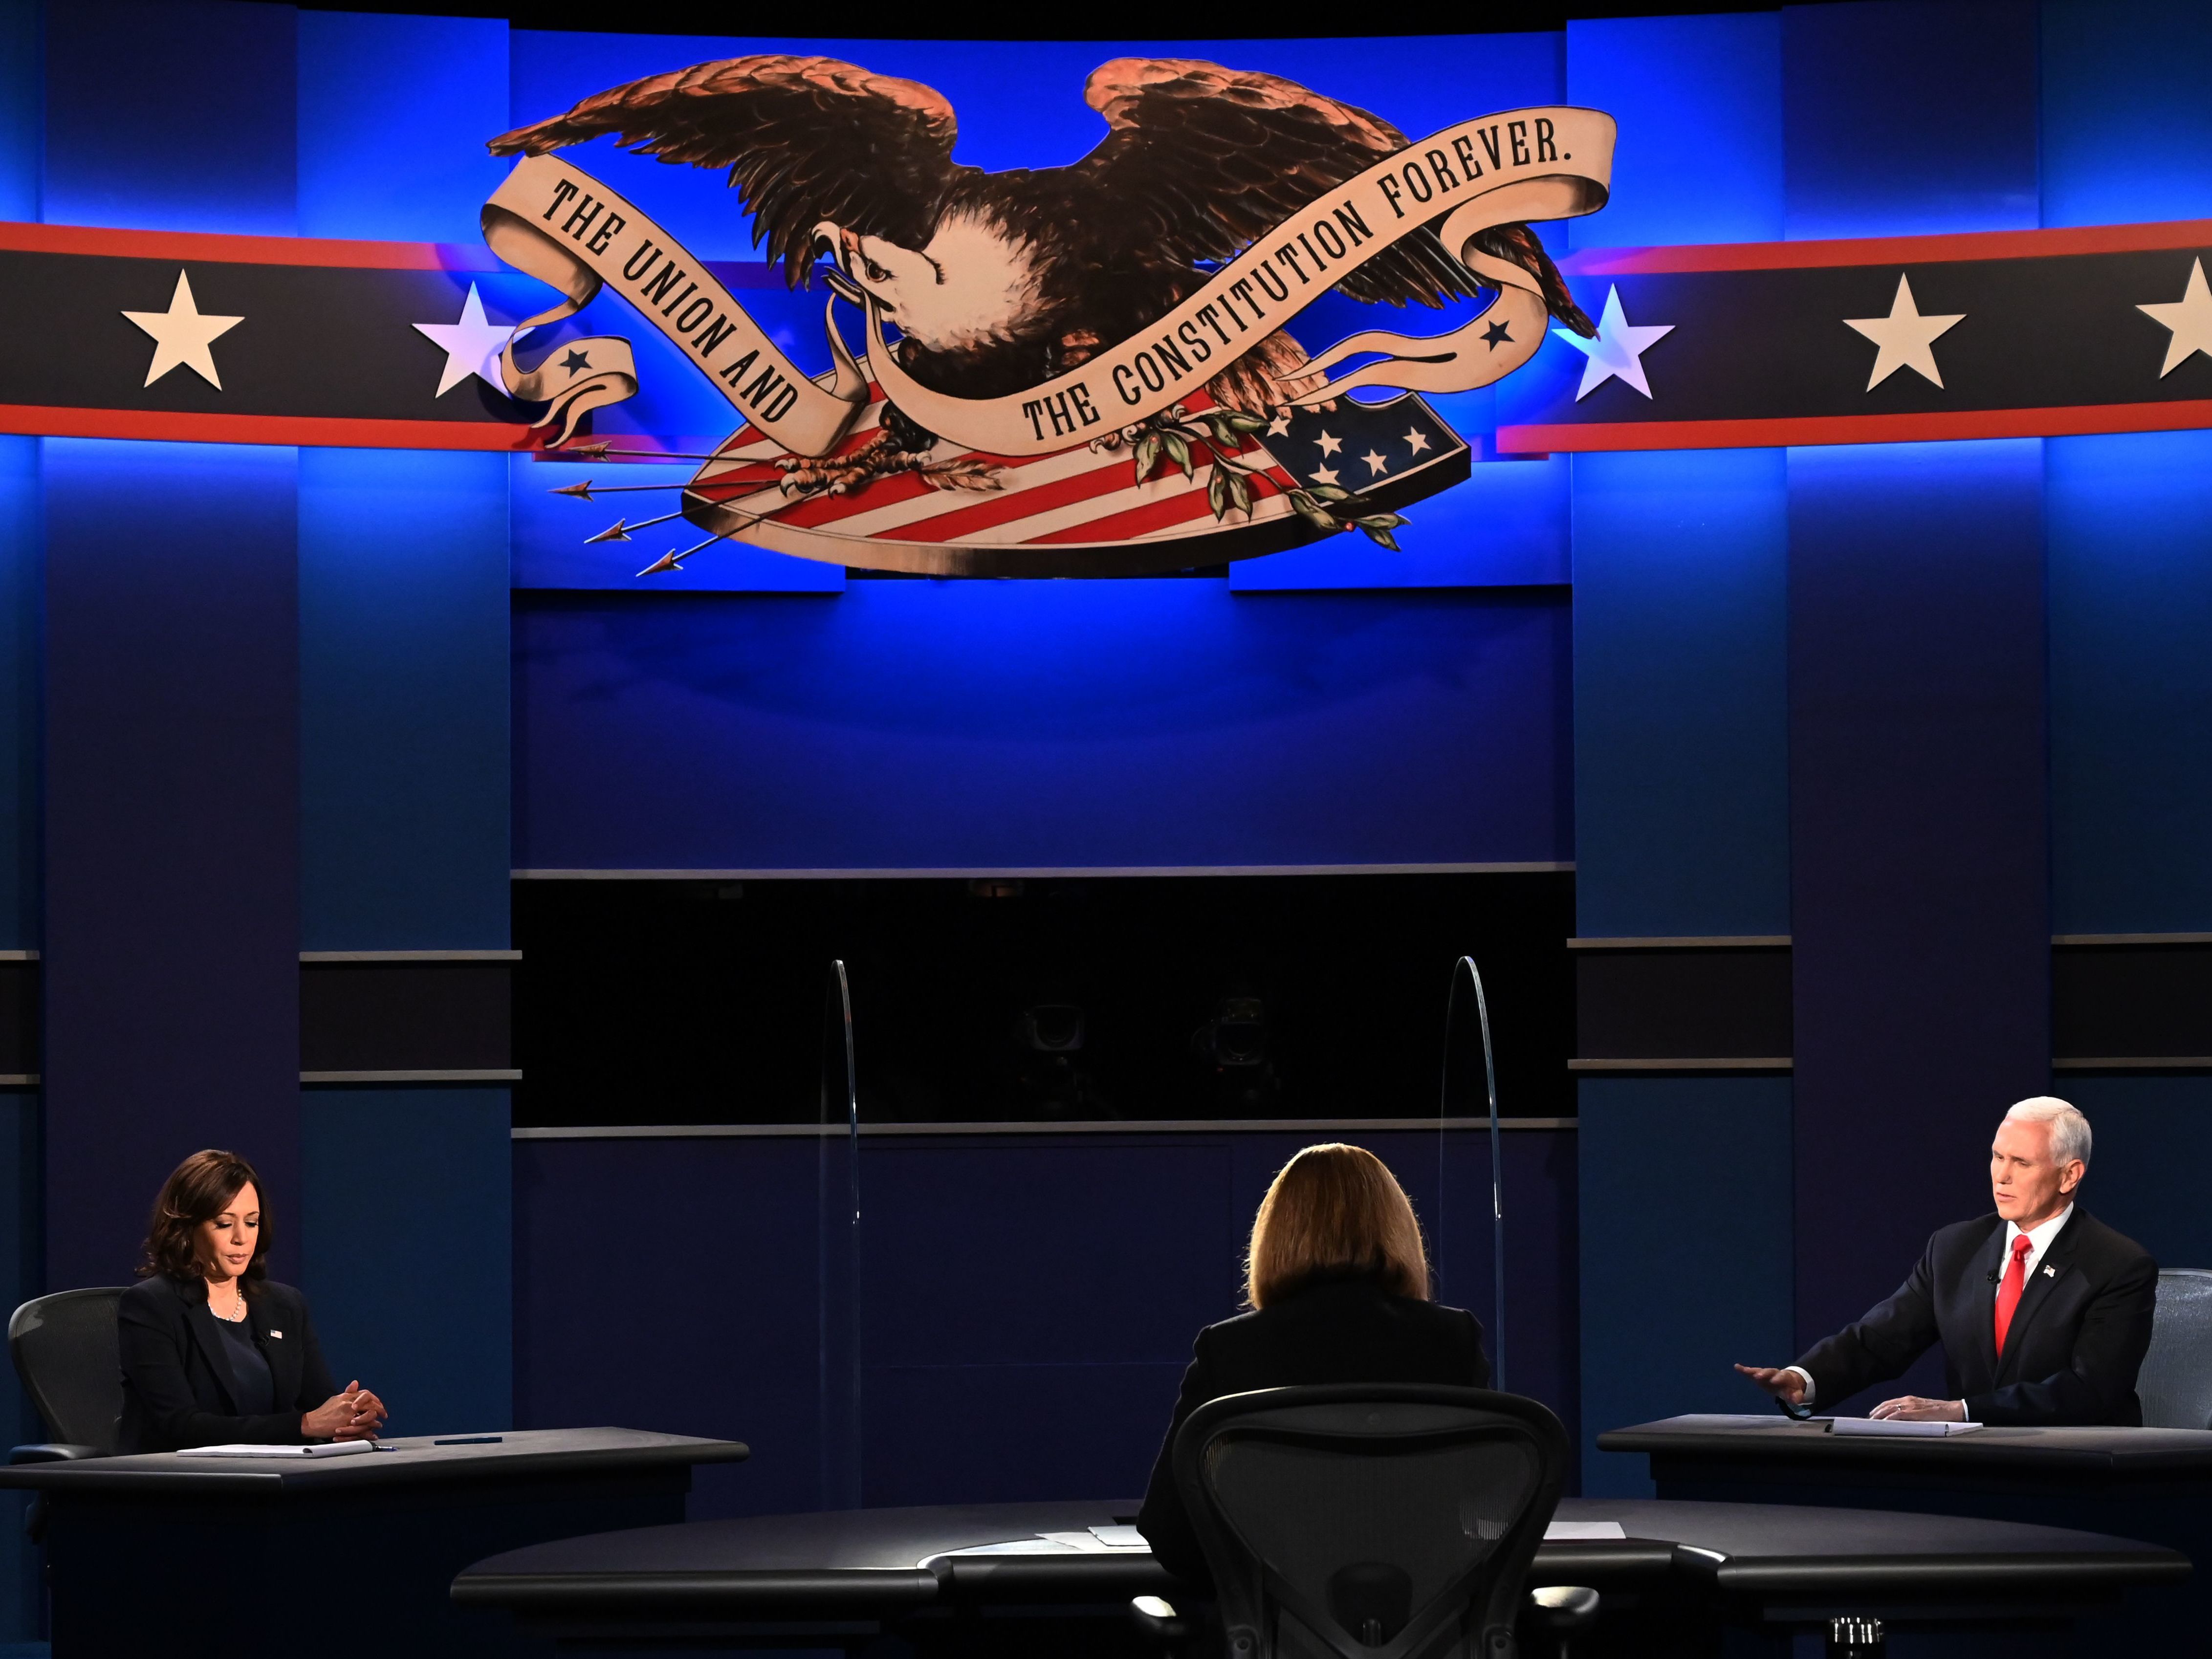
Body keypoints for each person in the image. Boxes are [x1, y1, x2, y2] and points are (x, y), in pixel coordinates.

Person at [1136, 1143, 1491, 1584]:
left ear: (1276, 1235)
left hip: (1274, 1633)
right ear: (1400, 1231)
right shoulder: (1451, 1340)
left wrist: (1256, 1591)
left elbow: (1169, 1530)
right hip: (1431, 1629)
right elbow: (1493, 1506)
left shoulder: (1231, 1348)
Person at [1737, 1097, 2157, 1426]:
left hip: (2079, 1466)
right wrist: (1803, 1380)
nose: (2001, 1176)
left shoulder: (2116, 1264)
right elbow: (1882, 1338)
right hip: (1976, 1462)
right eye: (1997, 1157)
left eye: (2021, 1163)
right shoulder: (1955, 1247)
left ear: (2069, 1175)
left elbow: (2090, 1390)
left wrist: (1962, 1411)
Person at [118, 1149, 388, 1454]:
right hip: (180, 1485)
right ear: (186, 1228)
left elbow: (319, 1407)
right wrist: (306, 1424)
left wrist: (347, 1418)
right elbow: (182, 1427)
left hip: (273, 1480)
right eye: (223, 1223)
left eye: (252, 1223)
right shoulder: (151, 1306)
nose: (241, 1238)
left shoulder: (286, 1305)